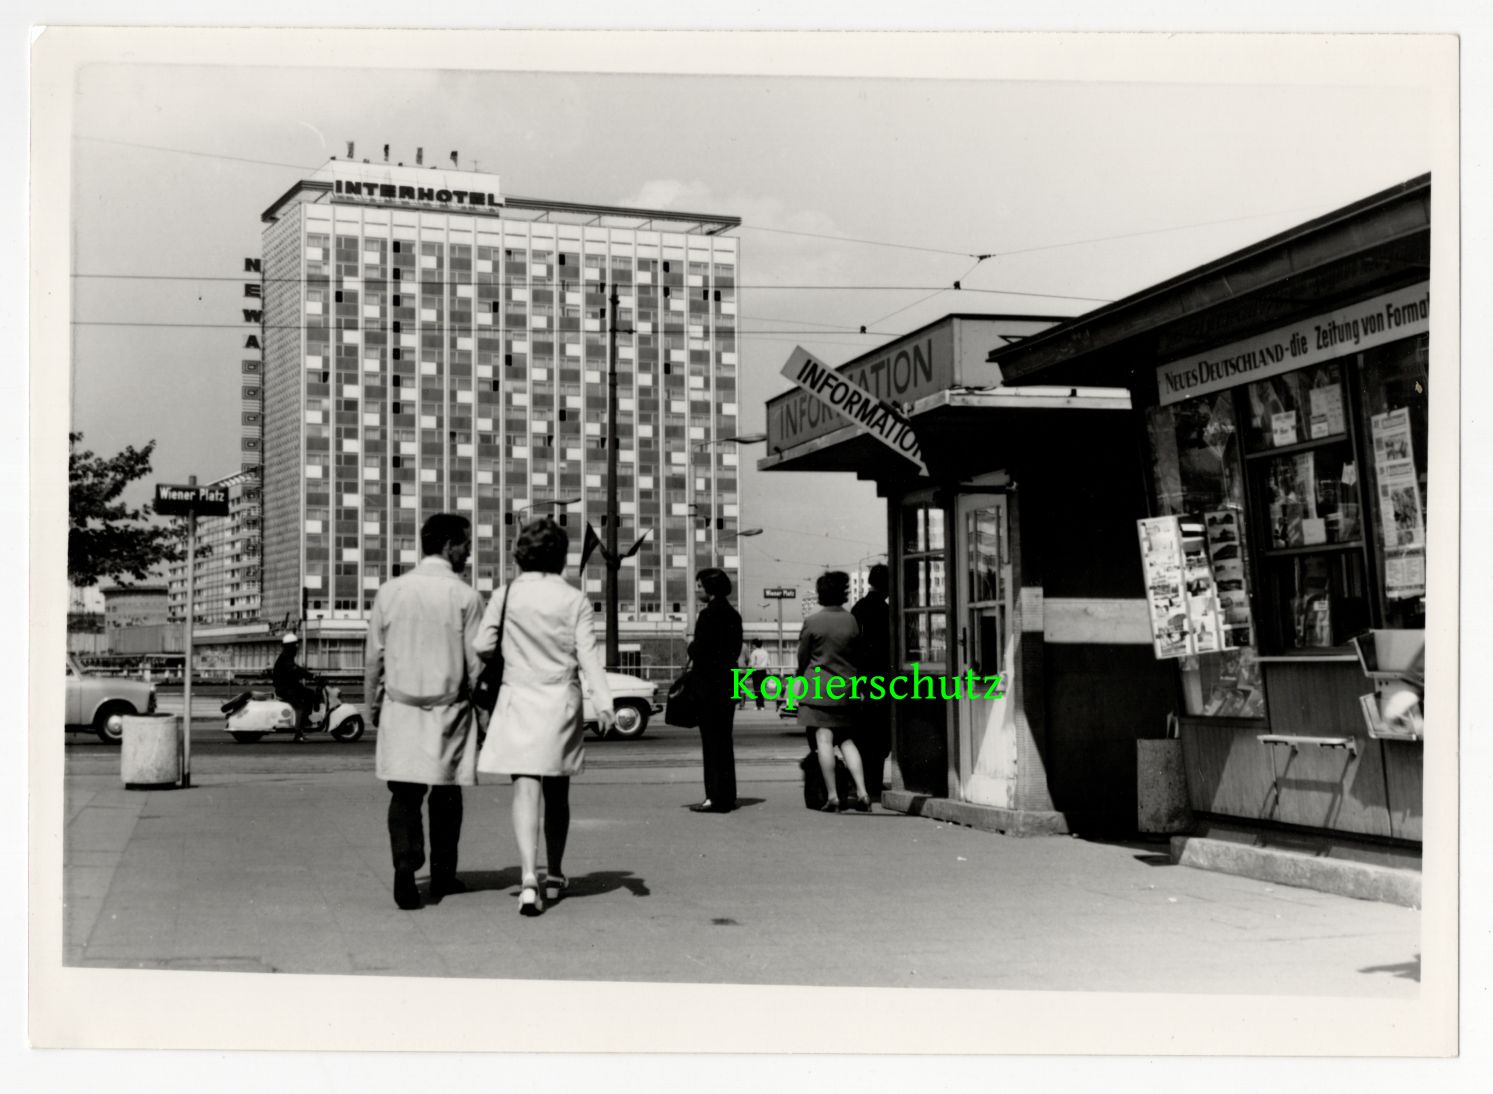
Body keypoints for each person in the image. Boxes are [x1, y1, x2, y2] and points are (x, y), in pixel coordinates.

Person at [475, 518, 615, 917]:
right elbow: (588, 657)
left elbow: (483, 645)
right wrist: (604, 703)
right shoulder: (574, 599)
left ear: (521, 554)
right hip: (559, 701)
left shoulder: (505, 594)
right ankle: (554, 874)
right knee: (557, 792)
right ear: (560, 556)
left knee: (525, 789)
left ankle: (527, 879)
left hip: (519, 698)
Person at [365, 513, 485, 911]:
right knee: (446, 792)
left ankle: (405, 863)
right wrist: (484, 716)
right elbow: (477, 665)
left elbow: (374, 659)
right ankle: (443, 873)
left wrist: (372, 705)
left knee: (404, 792)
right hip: (448, 711)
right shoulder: (466, 597)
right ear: (449, 546)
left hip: (400, 706)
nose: (468, 552)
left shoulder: (390, 592)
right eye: (466, 544)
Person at [799, 571, 871, 812]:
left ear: (821, 594)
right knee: (847, 741)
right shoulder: (851, 621)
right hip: (847, 688)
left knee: (824, 740)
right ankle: (862, 792)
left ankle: (832, 796)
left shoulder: (813, 622)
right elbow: (858, 655)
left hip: (820, 689)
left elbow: (803, 657)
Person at [687, 567, 743, 813]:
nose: (696, 590)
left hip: (709, 687)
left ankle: (714, 797)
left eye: (699, 585)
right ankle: (727, 795)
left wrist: (689, 645)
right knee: (724, 743)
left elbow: (699, 651)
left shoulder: (708, 615)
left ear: (710, 588)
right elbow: (733, 650)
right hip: (728, 684)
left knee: (711, 744)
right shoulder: (733, 615)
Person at [850, 563, 891, 798]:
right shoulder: (886, 611)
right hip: (883, 679)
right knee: (880, 735)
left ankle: (864, 782)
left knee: (863, 734)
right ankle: (875, 782)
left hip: (862, 678)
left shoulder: (858, 608)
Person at [273, 632, 318, 743]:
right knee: (299, 707)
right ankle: (298, 734)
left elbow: (296, 670)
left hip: (290, 687)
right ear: (290, 646)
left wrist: (311, 675)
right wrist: (310, 676)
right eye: (295, 645)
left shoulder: (287, 657)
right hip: (285, 689)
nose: (297, 647)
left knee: (310, 694)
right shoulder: (286, 658)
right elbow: (295, 671)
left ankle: (306, 720)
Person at [743, 638, 771, 710]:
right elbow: (768, 663)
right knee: (762, 688)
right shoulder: (765, 652)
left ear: (755, 645)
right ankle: (762, 705)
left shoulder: (754, 652)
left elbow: (752, 663)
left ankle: (758, 705)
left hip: (756, 671)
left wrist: (747, 669)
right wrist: (771, 672)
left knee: (756, 688)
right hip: (763, 671)